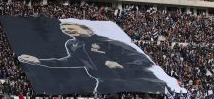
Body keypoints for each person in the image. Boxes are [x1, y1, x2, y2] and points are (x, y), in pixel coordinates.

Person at [18, 23, 166, 93]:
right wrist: (39, 61)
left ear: (86, 29)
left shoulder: (108, 43)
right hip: (103, 83)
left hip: (133, 81)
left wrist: (122, 66)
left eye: (70, 27)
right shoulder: (73, 45)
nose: (67, 30)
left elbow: (143, 60)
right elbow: (69, 61)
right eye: (64, 29)